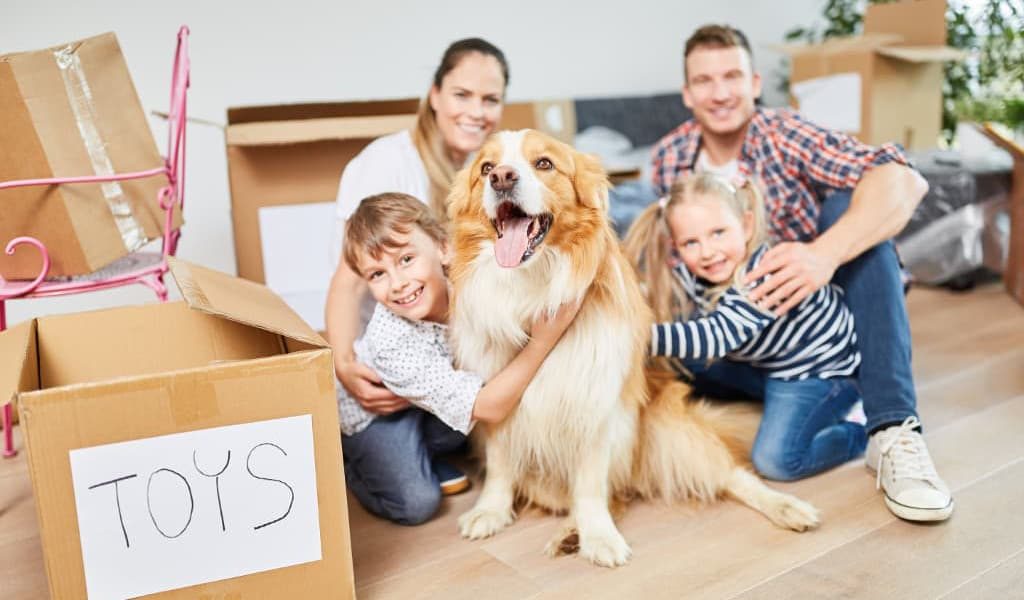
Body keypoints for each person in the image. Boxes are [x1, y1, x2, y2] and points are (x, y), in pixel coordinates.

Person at [648, 24, 952, 521]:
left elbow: (904, 179)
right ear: (686, 93)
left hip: (819, 323)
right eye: (704, 81)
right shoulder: (669, 160)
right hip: (750, 335)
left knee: (847, 204)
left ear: (755, 83)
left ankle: (890, 426)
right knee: (687, 350)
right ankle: (793, 402)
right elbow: (673, 263)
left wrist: (824, 254)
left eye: (732, 76)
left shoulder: (784, 135)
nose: (720, 92)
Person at [325, 38, 508, 490]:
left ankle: (429, 445)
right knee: (414, 498)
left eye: (491, 99)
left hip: (440, 349)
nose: (476, 111)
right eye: (462, 95)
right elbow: (349, 282)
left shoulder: (477, 168)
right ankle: (371, 456)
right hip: (387, 358)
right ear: (435, 95)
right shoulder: (388, 164)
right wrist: (344, 363)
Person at [337, 193, 579, 525]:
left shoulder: (468, 282)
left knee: (478, 411)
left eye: (406, 259)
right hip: (376, 414)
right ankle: (356, 465)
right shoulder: (390, 341)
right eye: (377, 274)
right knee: (416, 503)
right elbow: (489, 406)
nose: (398, 283)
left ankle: (424, 452)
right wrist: (542, 341)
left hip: (429, 401)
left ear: (443, 247)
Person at [625, 172, 865, 481]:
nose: (708, 251)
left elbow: (715, 337)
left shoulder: (764, 273)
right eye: (691, 242)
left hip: (819, 372)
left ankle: (858, 429)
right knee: (687, 361)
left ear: (746, 225)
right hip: (765, 363)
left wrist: (631, 336)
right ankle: (766, 401)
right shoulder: (696, 273)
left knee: (776, 460)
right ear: (677, 248)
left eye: (718, 233)